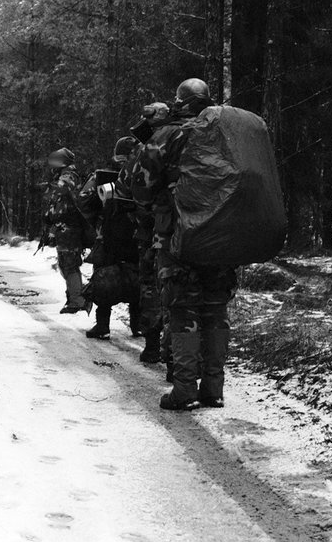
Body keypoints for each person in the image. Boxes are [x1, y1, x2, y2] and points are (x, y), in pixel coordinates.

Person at [130, 79, 234, 411]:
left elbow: (139, 186)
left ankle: (185, 390)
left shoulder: (169, 134)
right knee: (215, 309)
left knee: (183, 309)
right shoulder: (225, 133)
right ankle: (213, 389)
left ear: (179, 103)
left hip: (179, 237)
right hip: (220, 237)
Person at [77, 137, 143, 340]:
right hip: (132, 234)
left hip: (112, 235)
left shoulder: (106, 176)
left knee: (106, 278)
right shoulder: (142, 171)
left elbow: (83, 201)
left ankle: (105, 325)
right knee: (134, 277)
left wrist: (99, 217)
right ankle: (136, 324)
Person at [127, 102, 173, 366]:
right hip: (193, 228)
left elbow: (135, 187)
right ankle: (177, 358)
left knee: (152, 286)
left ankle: (154, 346)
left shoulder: (150, 147)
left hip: (156, 231)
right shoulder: (191, 138)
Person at [42, 147, 93, 314]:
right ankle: (75, 297)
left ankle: (79, 299)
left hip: (70, 228)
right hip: (64, 228)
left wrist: (47, 187)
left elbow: (63, 188)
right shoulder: (62, 175)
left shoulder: (69, 175)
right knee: (65, 263)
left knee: (69, 264)